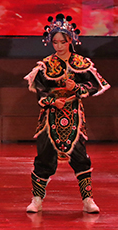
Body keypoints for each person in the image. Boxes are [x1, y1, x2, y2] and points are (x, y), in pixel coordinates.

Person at [24, 13, 109, 214]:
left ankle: (88, 199)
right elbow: (40, 90)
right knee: (45, 155)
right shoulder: (45, 65)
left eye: (62, 42)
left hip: (74, 115)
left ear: (70, 40)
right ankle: (37, 199)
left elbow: (95, 85)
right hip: (50, 116)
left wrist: (77, 88)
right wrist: (53, 101)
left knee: (80, 155)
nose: (59, 46)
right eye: (55, 42)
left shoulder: (82, 63)